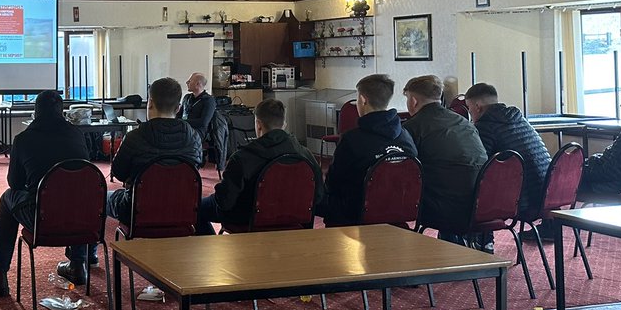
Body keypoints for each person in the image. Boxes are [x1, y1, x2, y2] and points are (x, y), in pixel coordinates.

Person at [57, 77, 202, 285]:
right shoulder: (193, 137)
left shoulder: (136, 137)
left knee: (92, 197)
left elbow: (119, 172)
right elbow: (194, 170)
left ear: (150, 103)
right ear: (179, 108)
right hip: (184, 211)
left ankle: (81, 261)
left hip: (137, 211)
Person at [0, 90, 87, 297]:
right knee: (77, 197)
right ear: (62, 111)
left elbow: (15, 183)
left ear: (35, 112)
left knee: (6, 198)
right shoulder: (77, 134)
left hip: (41, 216)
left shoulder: (23, 139)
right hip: (81, 218)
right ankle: (78, 264)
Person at [196, 98, 318, 235]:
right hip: (294, 218)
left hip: (246, 219)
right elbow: (319, 198)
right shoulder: (306, 155)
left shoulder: (242, 157)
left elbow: (224, 202)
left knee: (195, 208)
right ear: (284, 124)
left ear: (258, 125)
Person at [320, 74, 418, 227]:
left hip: (356, 215)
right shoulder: (405, 136)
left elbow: (334, 182)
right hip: (396, 213)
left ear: (363, 100)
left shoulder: (351, 139)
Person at [402, 74, 488, 247]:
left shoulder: (412, 128)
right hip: (483, 201)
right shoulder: (463, 122)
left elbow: (406, 171)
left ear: (412, 101)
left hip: (444, 206)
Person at [465, 82, 551, 216]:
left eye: (469, 108)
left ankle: (483, 237)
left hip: (522, 198)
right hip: (547, 191)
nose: (469, 113)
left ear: (477, 107)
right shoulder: (518, 118)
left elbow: (481, 164)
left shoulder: (485, 126)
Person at [179, 72, 217, 140]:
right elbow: (179, 115)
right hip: (183, 128)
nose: (187, 82)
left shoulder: (208, 100)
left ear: (197, 84)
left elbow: (203, 122)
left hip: (198, 132)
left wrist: (182, 122)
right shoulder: (187, 98)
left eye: (190, 81)